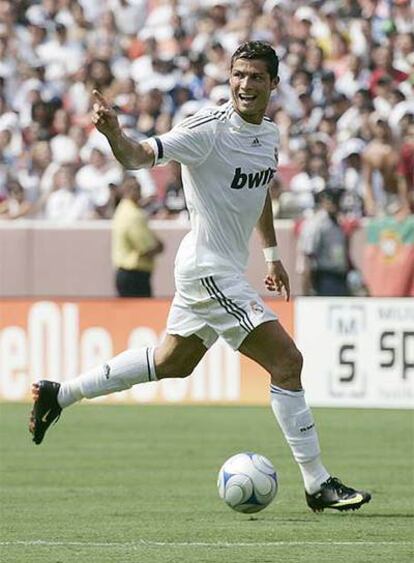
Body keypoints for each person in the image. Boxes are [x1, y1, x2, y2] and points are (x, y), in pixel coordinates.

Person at [28, 41, 371, 513]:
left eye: (255, 77)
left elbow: (261, 188)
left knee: (173, 362)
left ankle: (59, 393)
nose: (245, 85)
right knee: (287, 362)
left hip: (219, 268)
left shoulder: (268, 134)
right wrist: (113, 134)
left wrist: (271, 255)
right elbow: (137, 156)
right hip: (208, 269)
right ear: (228, 78)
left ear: (274, 84)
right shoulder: (207, 129)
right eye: (238, 75)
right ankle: (316, 483)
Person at [112, 175, 164, 297]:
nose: (137, 192)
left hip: (126, 273)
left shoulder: (122, 210)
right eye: (133, 188)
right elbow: (147, 248)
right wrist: (159, 246)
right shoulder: (133, 215)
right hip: (135, 275)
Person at [299, 188, 351, 296]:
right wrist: (306, 289)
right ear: (324, 201)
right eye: (333, 200)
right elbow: (308, 257)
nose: (336, 204)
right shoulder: (316, 224)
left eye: (338, 200)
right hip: (325, 277)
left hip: (340, 277)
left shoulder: (337, 223)